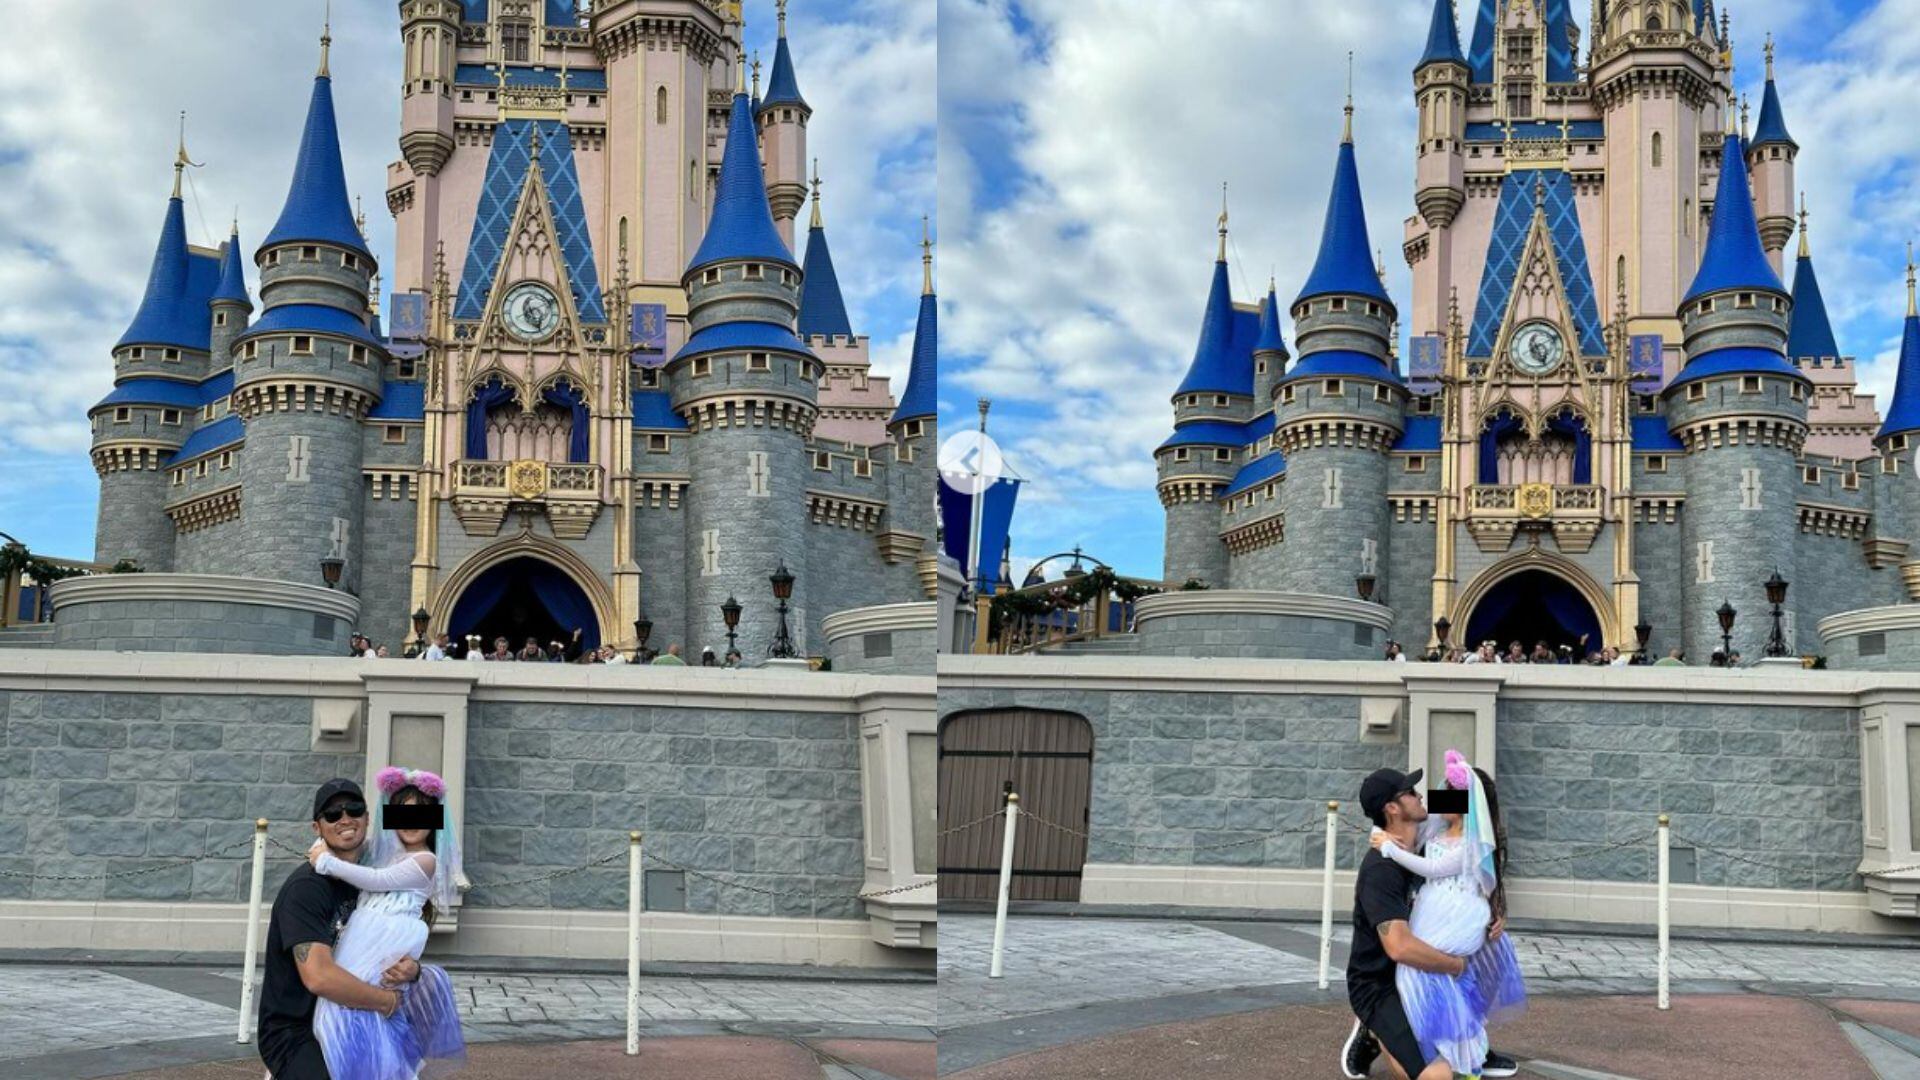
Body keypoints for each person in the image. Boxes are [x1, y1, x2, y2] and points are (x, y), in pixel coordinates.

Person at [1340, 767, 1518, 1080]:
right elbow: (1400, 948)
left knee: (1490, 950)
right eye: (1410, 792)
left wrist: (1493, 914)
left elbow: (1470, 878)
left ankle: (1470, 1041)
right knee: (1437, 1075)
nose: (1422, 794)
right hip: (1381, 983)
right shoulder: (1381, 869)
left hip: (1422, 955)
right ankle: (1374, 1030)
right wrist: (1457, 966)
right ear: (1392, 808)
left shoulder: (1426, 840)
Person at [306, 767, 467, 1080]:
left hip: (385, 940)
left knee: (363, 1007)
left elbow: (378, 880)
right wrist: (323, 847)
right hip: (361, 940)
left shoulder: (425, 860)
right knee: (337, 1006)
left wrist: (326, 862)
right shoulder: (383, 853)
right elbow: (347, 846)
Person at [257, 779, 423, 1079]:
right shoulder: (306, 889)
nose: (345, 818)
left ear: (368, 818)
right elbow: (319, 977)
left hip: (355, 1012)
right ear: (316, 828)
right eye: (332, 814)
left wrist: (411, 968)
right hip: (297, 1028)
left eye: (354, 809)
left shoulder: (372, 877)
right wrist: (386, 1002)